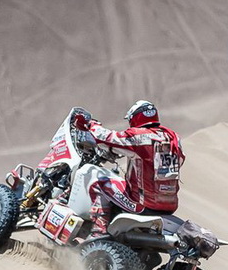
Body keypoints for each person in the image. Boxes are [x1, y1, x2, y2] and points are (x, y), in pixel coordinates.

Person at [72, 101, 185, 238]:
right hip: (170, 205)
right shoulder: (173, 137)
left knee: (99, 183)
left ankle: (98, 233)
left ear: (135, 117)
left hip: (145, 204)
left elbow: (107, 138)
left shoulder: (139, 136)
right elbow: (180, 161)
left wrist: (90, 125)